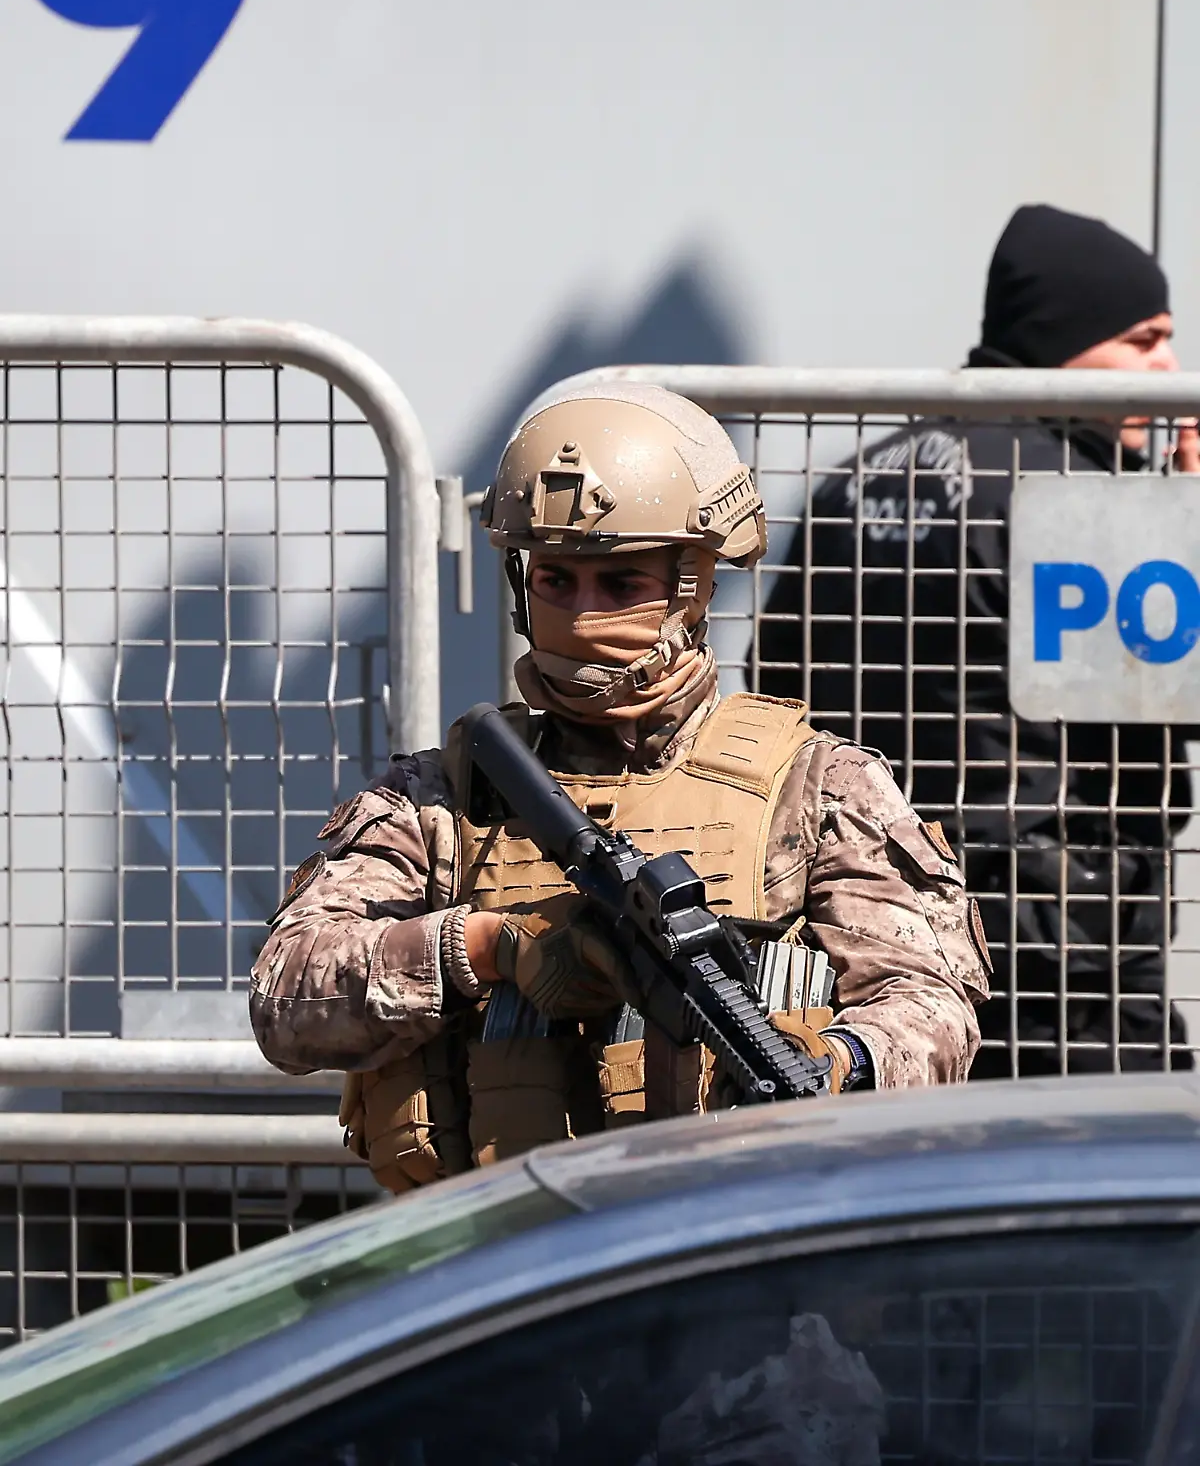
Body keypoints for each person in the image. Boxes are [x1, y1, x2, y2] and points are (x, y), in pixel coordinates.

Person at [250, 381, 988, 1194]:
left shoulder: (819, 788)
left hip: (740, 1232)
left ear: (695, 584)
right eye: (557, 581)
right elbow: (287, 1000)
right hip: (495, 1252)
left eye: (620, 584)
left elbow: (928, 1003)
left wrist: (836, 1061)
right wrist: (488, 947)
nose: (583, 614)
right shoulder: (440, 798)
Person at [756, 203, 1194, 1077]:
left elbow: (775, 693)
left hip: (866, 931)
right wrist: (1189, 522)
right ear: (1067, 332)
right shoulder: (1088, 499)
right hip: (1063, 955)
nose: (1169, 370)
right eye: (1145, 340)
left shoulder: (855, 479)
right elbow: (1168, 705)